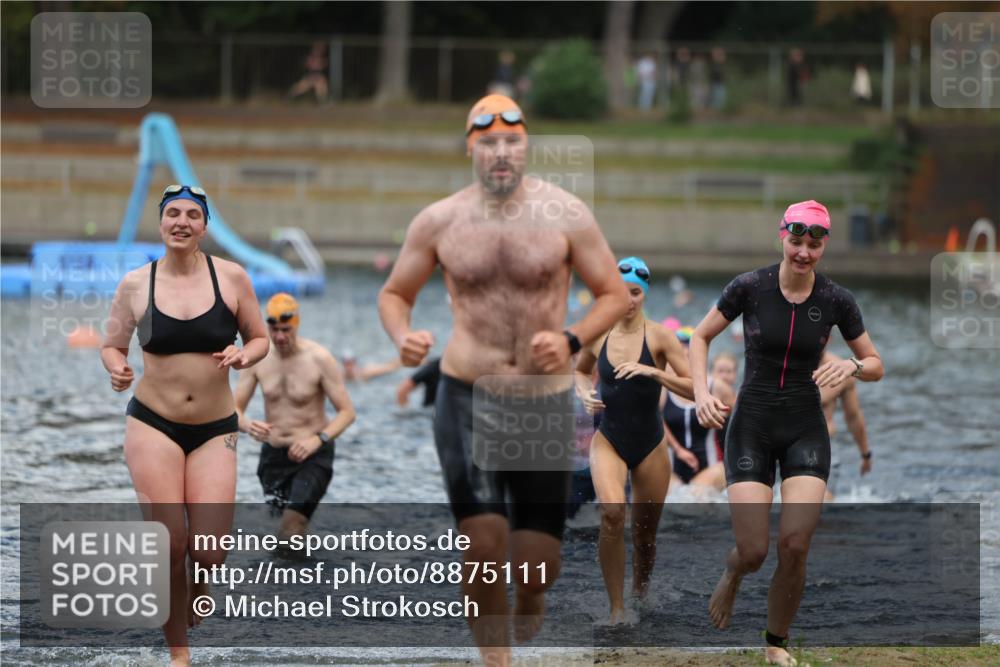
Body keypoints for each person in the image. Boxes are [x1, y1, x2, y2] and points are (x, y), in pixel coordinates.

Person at [377, 93, 629, 666]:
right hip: (468, 394)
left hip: (541, 399)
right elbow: (395, 293)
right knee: (483, 540)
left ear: (526, 146)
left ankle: (532, 595)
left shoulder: (566, 214)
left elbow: (613, 294)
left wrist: (571, 339)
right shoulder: (439, 220)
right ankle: (497, 660)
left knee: (538, 560)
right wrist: (402, 336)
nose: (500, 152)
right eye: (488, 142)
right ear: (471, 148)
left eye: (511, 142)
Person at [689, 199, 884, 666]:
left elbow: (876, 364)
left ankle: (776, 642)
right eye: (796, 242)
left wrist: (853, 366)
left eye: (813, 246)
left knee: (795, 544)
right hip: (751, 426)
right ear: (783, 237)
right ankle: (733, 573)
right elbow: (699, 337)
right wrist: (701, 393)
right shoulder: (749, 287)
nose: (803, 253)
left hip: (805, 428)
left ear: (823, 247)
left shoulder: (837, 300)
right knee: (754, 551)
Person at [101, 184, 269, 667]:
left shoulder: (231, 277)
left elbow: (260, 338)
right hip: (153, 423)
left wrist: (244, 354)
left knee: (209, 551)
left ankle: (200, 580)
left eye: (192, 215)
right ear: (160, 223)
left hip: (216, 427)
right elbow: (112, 344)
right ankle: (180, 655)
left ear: (204, 225)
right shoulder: (136, 283)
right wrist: (117, 368)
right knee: (170, 542)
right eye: (172, 213)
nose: (181, 222)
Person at [573, 256, 694, 623]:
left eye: (636, 293)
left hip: (650, 444)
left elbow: (693, 388)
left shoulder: (660, 336)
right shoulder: (598, 333)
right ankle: (617, 610)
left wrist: (653, 372)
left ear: (645, 294)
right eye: (621, 292)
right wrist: (584, 391)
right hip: (609, 438)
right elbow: (579, 371)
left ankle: (640, 594)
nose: (628, 300)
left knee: (645, 537)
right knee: (612, 513)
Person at [234, 293, 356, 539]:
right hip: (273, 456)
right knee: (282, 527)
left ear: (296, 325)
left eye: (286, 330)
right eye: (274, 329)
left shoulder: (319, 358)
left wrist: (317, 440)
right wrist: (246, 425)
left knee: (291, 526)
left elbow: (347, 413)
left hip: (313, 455)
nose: (280, 336)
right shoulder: (258, 359)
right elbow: (232, 409)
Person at [661, 330, 735, 491]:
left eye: (686, 355)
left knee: (694, 495)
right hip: (674, 469)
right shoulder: (664, 389)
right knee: (675, 497)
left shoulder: (718, 387)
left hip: (712, 468)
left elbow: (745, 417)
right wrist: (678, 449)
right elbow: (652, 418)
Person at [818, 350, 872, 502]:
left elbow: (853, 416)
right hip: (777, 443)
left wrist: (865, 454)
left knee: (820, 505)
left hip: (823, 447)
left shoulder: (841, 370)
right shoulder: (779, 363)